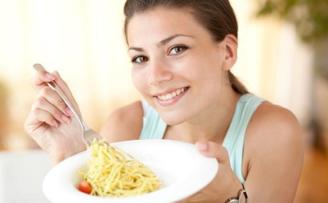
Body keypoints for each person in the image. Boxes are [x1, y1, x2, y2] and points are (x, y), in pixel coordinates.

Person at [24, 0, 304, 202]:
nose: (155, 76)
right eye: (140, 58)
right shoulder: (125, 127)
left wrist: (229, 198)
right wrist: (73, 158)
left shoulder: (273, 133)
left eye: (176, 49)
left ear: (227, 52)